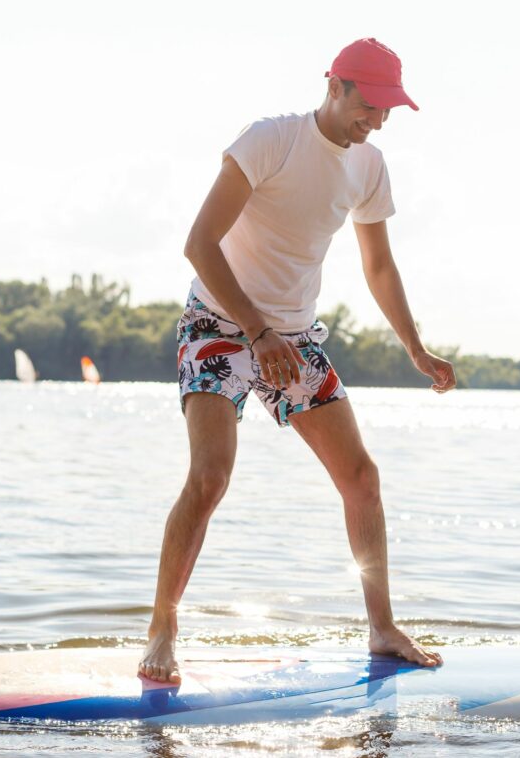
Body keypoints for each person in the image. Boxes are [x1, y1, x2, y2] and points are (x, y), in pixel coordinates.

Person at [139, 38, 457, 684]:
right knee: (210, 476)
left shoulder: (368, 167)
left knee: (361, 477)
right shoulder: (269, 141)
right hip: (220, 326)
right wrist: (257, 332)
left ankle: (382, 627)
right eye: (370, 105)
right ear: (335, 86)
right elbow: (199, 244)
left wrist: (414, 347)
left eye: (389, 109)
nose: (379, 120)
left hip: (295, 336)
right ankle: (162, 628)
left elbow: (378, 265)